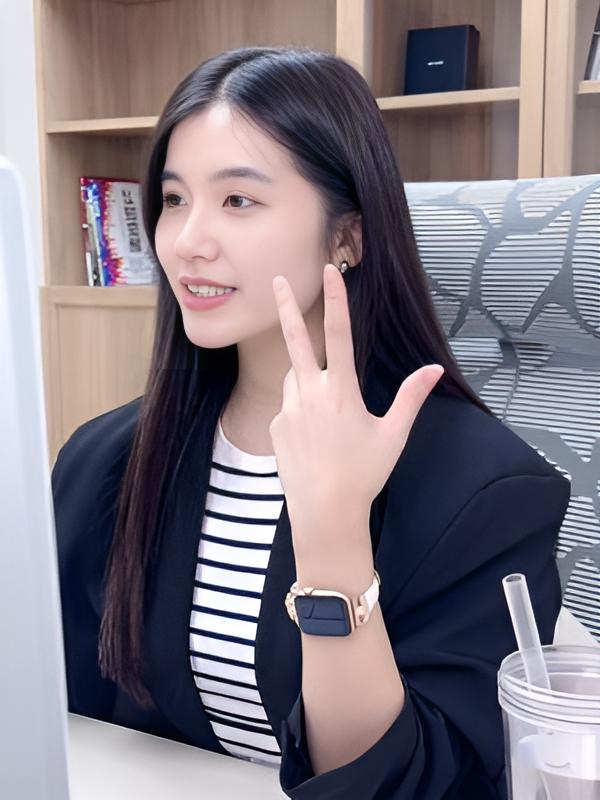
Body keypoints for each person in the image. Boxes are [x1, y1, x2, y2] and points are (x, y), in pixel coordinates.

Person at [51, 46, 571, 799]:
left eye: (238, 200)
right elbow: (65, 716)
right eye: (173, 199)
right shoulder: (104, 461)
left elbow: (396, 785)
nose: (187, 240)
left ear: (346, 236)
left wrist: (331, 529)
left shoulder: (487, 490)